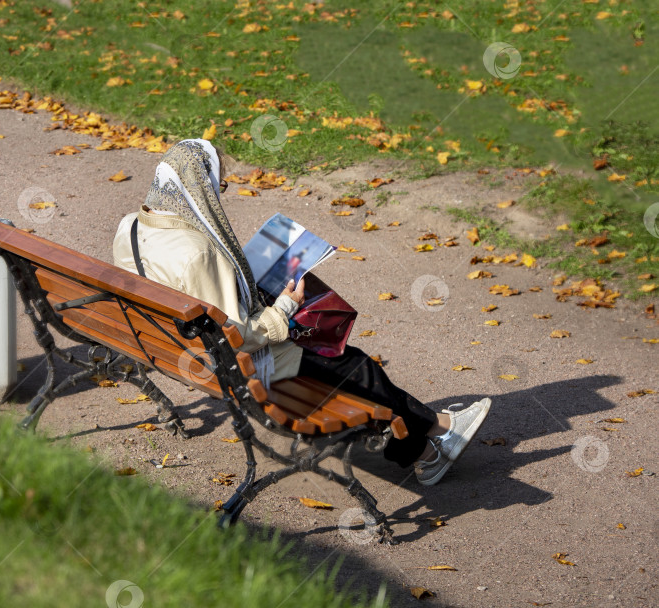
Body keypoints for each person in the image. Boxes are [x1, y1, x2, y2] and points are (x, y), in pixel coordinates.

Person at [113, 139, 491, 486]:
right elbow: (239, 337)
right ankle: (439, 431)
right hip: (234, 369)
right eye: (219, 186)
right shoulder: (198, 252)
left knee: (350, 370)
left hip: (171, 350)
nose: (219, 195)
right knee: (356, 368)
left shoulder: (130, 226)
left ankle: (427, 448)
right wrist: (286, 306)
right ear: (197, 187)